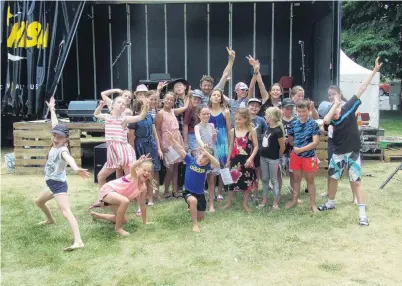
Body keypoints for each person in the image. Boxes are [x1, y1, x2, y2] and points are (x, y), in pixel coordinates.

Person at [318, 57, 383, 226]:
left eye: (335, 98)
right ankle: (330, 203)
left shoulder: (349, 107)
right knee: (333, 178)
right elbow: (325, 120)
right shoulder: (331, 118)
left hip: (353, 152)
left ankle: (362, 214)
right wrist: (334, 105)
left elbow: (362, 88)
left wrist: (374, 71)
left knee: (357, 181)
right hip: (338, 153)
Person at [35, 97, 91, 251]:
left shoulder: (63, 150)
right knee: (39, 202)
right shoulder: (55, 142)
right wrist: (52, 110)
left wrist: (76, 168)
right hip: (51, 184)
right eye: (54, 136)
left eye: (59, 137)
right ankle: (50, 220)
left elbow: (69, 158)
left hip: (58, 185)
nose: (55, 139)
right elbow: (55, 125)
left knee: (66, 211)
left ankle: (78, 241)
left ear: (66, 139)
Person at [90, 155, 154, 236]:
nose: (147, 173)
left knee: (123, 220)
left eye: (149, 171)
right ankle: (118, 228)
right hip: (108, 190)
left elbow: (142, 205)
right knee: (125, 201)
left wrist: (145, 222)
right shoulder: (134, 176)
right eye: (144, 170)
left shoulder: (143, 187)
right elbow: (132, 167)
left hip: (117, 197)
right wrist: (139, 162)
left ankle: (98, 216)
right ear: (138, 170)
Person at [169, 131, 219, 232]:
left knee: (201, 217)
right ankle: (194, 225)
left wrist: (208, 154)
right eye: (203, 156)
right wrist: (172, 140)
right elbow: (180, 150)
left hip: (200, 194)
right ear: (198, 154)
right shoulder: (190, 160)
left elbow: (216, 163)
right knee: (193, 201)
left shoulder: (206, 166)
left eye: (207, 159)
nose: (204, 160)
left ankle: (192, 208)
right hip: (188, 192)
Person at [94, 97, 148, 188]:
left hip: (123, 151)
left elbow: (141, 117)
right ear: (113, 105)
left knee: (130, 178)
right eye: (119, 102)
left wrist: (146, 106)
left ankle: (135, 197)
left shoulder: (124, 119)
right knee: (100, 176)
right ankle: (103, 198)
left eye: (123, 104)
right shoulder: (107, 117)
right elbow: (96, 114)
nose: (121, 104)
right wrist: (100, 106)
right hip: (112, 152)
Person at [318, 87, 356, 202]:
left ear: (340, 94)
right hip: (332, 141)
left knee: (351, 168)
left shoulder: (347, 106)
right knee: (331, 167)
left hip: (346, 142)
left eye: (333, 94)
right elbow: (325, 124)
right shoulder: (329, 107)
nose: (331, 97)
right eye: (329, 95)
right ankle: (330, 191)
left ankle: (355, 196)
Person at [286, 100, 320, 212]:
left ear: (308, 110)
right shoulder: (293, 123)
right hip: (296, 156)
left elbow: (315, 142)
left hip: (309, 156)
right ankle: (294, 200)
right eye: (299, 111)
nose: (301, 114)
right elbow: (290, 139)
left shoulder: (313, 124)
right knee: (296, 179)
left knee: (310, 180)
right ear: (296, 111)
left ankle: (313, 204)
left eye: (304, 111)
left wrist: (301, 149)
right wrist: (295, 147)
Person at [128, 100, 163, 206]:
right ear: (140, 107)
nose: (149, 106)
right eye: (146, 105)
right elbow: (131, 139)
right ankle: (141, 196)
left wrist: (158, 148)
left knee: (153, 170)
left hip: (151, 144)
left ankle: (153, 195)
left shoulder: (149, 117)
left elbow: (154, 133)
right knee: (143, 172)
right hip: (140, 146)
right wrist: (133, 154)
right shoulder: (134, 120)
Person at [155, 92, 189, 199]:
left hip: (177, 140)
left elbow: (185, 107)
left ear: (174, 102)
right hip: (167, 142)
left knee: (176, 167)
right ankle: (165, 190)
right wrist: (160, 145)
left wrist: (188, 95)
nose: (169, 101)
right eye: (167, 99)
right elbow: (157, 130)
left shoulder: (173, 111)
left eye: (171, 100)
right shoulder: (160, 113)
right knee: (169, 168)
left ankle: (175, 190)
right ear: (163, 100)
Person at [224, 108, 259, 213]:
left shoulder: (251, 131)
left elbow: (256, 146)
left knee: (246, 183)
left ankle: (245, 203)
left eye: (239, 119)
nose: (237, 121)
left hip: (247, 161)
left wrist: (250, 158)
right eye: (236, 119)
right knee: (231, 182)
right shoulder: (233, 131)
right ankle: (228, 202)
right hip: (235, 160)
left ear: (246, 118)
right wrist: (228, 160)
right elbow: (231, 145)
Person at [259, 107, 285, 209]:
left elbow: (282, 147)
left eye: (266, 115)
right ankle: (264, 198)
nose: (265, 116)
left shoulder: (278, 131)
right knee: (265, 178)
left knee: (274, 180)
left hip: (273, 159)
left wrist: (278, 157)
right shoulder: (267, 128)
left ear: (270, 117)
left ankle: (275, 201)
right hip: (263, 158)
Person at [208, 89, 232, 201]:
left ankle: (220, 192)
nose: (216, 97)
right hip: (210, 141)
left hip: (222, 142)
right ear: (210, 97)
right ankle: (211, 192)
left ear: (221, 98)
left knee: (222, 166)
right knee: (211, 167)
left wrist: (230, 143)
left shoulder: (225, 112)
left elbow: (229, 129)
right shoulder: (206, 110)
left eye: (219, 95)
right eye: (214, 95)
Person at [194, 105, 218, 212]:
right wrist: (203, 146)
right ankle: (198, 202)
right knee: (200, 180)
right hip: (202, 154)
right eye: (204, 114)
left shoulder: (212, 125)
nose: (206, 116)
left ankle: (211, 204)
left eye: (208, 113)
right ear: (199, 115)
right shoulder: (197, 127)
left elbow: (213, 140)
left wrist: (214, 137)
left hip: (212, 154)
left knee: (211, 179)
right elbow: (198, 138)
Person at [247, 98, 267, 200]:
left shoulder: (261, 120)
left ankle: (255, 194)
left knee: (257, 172)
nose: (254, 108)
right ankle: (247, 193)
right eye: (252, 105)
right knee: (247, 172)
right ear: (248, 106)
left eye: (257, 106)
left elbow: (266, 133)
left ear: (259, 109)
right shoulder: (244, 118)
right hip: (246, 149)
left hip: (258, 150)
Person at [281, 98, 297, 197]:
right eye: (287, 108)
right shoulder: (279, 121)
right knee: (279, 173)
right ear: (282, 108)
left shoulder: (296, 120)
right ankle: (277, 194)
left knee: (293, 174)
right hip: (281, 151)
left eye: (291, 108)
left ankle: (294, 194)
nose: (289, 111)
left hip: (292, 150)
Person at [184, 90, 204, 157]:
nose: (196, 101)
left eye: (198, 99)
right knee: (197, 155)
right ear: (191, 99)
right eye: (194, 99)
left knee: (202, 154)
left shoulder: (201, 109)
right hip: (192, 135)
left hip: (201, 134)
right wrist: (185, 142)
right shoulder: (189, 109)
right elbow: (185, 125)